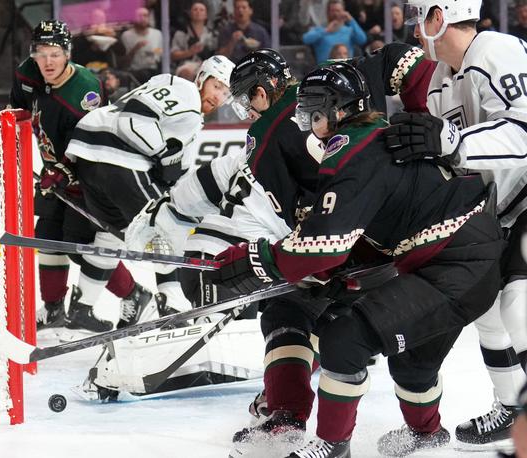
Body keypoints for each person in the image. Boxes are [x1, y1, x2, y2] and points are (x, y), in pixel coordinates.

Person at [127, 44, 434, 454]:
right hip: (398, 235)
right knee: (331, 318)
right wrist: (426, 118)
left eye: (245, 102)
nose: (246, 113)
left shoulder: (263, 135)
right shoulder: (333, 78)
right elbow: (402, 60)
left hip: (344, 244)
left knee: (287, 310)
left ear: (258, 91)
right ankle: (420, 429)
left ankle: (289, 411)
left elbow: (282, 220)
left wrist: (221, 264)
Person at [205, 61, 504, 458]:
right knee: (412, 363)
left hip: (453, 267)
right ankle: (426, 435)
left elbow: (323, 244)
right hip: (466, 259)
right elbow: (362, 231)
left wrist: (256, 260)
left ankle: (332, 445)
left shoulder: (351, 152)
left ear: (339, 109)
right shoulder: (372, 136)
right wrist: (332, 268)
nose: (307, 121)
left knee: (345, 336)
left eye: (313, 109)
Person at [383, 0, 527, 449]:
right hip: (500, 210)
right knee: (486, 308)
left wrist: (449, 141)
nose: (412, 25)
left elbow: (524, 132)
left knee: (519, 306)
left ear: (440, 15)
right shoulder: (440, 81)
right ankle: (513, 408)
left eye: (418, 14)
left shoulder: (495, 51)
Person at [65, 55, 235, 327]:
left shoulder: (190, 120)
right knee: (168, 227)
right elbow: (134, 118)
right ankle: (173, 305)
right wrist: (164, 153)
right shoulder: (186, 91)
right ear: (202, 78)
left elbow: (177, 178)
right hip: (118, 158)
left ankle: (81, 310)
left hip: (92, 161)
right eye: (217, 86)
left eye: (226, 93)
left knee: (112, 236)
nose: (219, 97)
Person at [9, 19, 111, 333]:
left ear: (66, 53)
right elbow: (15, 113)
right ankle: (53, 309)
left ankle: (136, 295)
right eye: (41, 53)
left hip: (89, 175)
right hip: (53, 174)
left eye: (54, 53)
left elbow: (96, 143)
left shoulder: (85, 90)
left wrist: (65, 170)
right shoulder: (28, 73)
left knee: (79, 244)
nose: (47, 61)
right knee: (48, 233)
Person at [302, 0, 367, 63]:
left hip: (345, 68)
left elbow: (362, 40)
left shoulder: (349, 30)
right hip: (326, 69)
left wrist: (351, 20)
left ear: (343, 12)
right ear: (327, 12)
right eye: (332, 11)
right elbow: (306, 39)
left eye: (338, 11)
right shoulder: (320, 29)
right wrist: (326, 30)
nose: (335, 13)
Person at [171, 1, 217, 81]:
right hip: (187, 65)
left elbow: (217, 53)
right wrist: (190, 52)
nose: (198, 12)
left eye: (201, 10)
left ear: (206, 15)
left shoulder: (212, 34)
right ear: (190, 13)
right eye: (195, 9)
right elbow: (173, 55)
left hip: (207, 64)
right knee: (186, 73)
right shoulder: (181, 33)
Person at [120, 7, 163, 83]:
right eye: (140, 16)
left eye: (145, 15)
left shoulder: (157, 34)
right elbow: (123, 62)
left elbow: (160, 52)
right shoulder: (126, 35)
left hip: (154, 68)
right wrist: (135, 48)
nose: (143, 18)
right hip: (135, 71)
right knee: (145, 74)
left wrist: (155, 52)